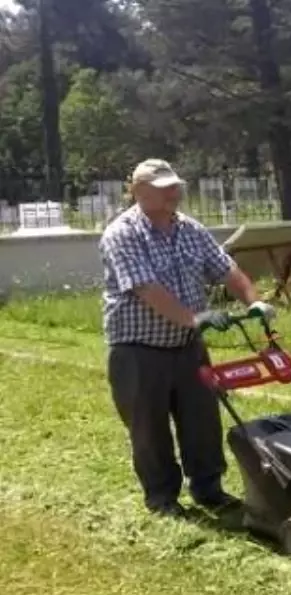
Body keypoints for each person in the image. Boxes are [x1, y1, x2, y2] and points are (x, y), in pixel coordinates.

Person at [99, 158, 275, 517]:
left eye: (175, 186)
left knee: (202, 420)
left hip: (188, 346)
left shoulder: (191, 230)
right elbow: (148, 289)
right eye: (163, 187)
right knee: (149, 428)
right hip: (138, 350)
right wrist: (194, 318)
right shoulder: (123, 234)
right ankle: (162, 498)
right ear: (138, 191)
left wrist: (254, 302)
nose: (173, 193)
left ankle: (208, 489)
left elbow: (228, 270)